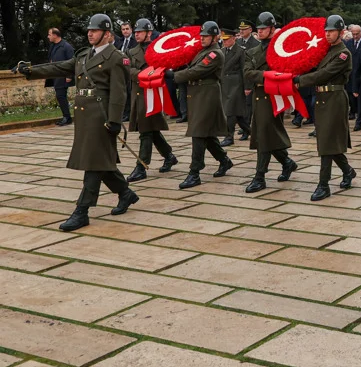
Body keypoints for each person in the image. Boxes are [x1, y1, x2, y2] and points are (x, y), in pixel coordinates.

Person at [16, 14, 139, 231]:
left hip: (101, 118)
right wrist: (32, 70)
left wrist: (115, 120)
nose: (90, 33)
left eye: (95, 30)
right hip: (85, 117)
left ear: (107, 34)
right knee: (100, 160)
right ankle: (126, 193)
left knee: (93, 163)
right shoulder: (83, 55)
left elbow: (120, 93)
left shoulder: (116, 58)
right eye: (89, 30)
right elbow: (60, 67)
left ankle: (82, 211)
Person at [295, 14, 356, 199]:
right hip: (322, 98)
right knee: (327, 141)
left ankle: (323, 185)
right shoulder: (327, 50)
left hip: (334, 99)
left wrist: (299, 80)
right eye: (326, 31)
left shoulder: (343, 54)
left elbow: (324, 74)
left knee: (327, 142)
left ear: (341, 32)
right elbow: (315, 69)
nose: (328, 34)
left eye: (331, 31)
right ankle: (348, 170)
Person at [242, 12, 298, 192]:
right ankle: (287, 162)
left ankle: (260, 177)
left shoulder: (280, 49)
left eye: (263, 28)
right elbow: (247, 72)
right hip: (259, 95)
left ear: (273, 29)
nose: (260, 31)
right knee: (266, 133)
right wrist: (268, 75)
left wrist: (266, 77)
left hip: (274, 95)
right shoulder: (253, 51)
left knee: (264, 135)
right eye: (258, 28)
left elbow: (286, 69)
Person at [174, 21, 232, 189]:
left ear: (215, 38)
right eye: (201, 35)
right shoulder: (202, 51)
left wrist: (174, 76)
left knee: (198, 133)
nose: (202, 38)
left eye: (206, 36)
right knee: (206, 135)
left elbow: (197, 71)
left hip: (207, 96)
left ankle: (195, 173)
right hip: (199, 95)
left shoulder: (215, 54)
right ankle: (224, 160)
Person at [125, 18, 178, 182]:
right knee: (151, 129)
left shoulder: (157, 49)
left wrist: (152, 73)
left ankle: (141, 166)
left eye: (140, 32)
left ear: (149, 33)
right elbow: (127, 69)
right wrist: (142, 75)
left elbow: (166, 65)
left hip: (153, 93)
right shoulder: (131, 51)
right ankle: (169, 155)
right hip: (139, 91)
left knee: (146, 131)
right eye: (136, 32)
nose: (137, 34)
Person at [219, 28, 249, 146]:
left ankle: (229, 137)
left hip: (236, 84)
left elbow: (244, 70)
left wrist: (247, 86)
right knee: (237, 114)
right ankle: (248, 130)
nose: (225, 42)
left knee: (230, 111)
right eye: (223, 40)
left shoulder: (240, 51)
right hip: (225, 84)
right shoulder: (221, 51)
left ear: (233, 38)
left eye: (227, 40)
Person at [45, 28, 74, 126]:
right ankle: (66, 116)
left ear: (55, 35)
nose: (48, 36)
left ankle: (67, 117)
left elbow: (71, 61)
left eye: (49, 34)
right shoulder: (53, 46)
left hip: (63, 75)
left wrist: (69, 75)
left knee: (61, 96)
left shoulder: (66, 46)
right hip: (55, 75)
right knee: (59, 96)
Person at [236, 19, 259, 140]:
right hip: (238, 79)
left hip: (248, 79)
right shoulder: (237, 42)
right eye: (240, 29)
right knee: (240, 105)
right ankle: (243, 127)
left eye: (244, 29)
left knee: (248, 106)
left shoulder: (255, 43)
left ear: (250, 30)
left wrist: (248, 85)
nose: (241, 31)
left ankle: (247, 129)